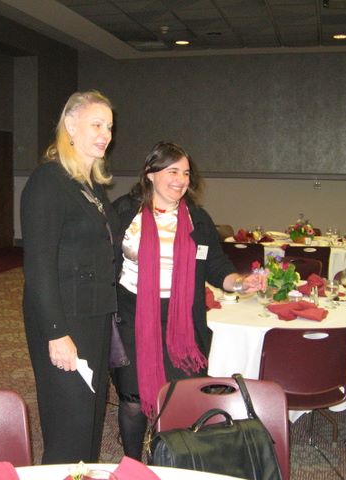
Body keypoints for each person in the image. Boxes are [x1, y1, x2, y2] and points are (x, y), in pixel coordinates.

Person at [111, 141, 265, 460]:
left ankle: (171, 459)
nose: (181, 180)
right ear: (150, 173)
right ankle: (133, 465)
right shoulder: (124, 212)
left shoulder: (197, 218)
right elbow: (105, 263)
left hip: (182, 320)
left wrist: (239, 282)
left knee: (180, 397)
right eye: (172, 171)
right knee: (133, 398)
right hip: (132, 316)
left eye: (185, 173)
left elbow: (216, 266)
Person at [20, 90, 119, 463]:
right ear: (71, 125)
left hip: (94, 316)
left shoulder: (90, 185)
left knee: (89, 420)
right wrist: (56, 333)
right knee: (69, 424)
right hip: (64, 319)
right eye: (97, 124)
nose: (105, 134)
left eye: (109, 127)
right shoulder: (49, 181)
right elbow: (38, 265)